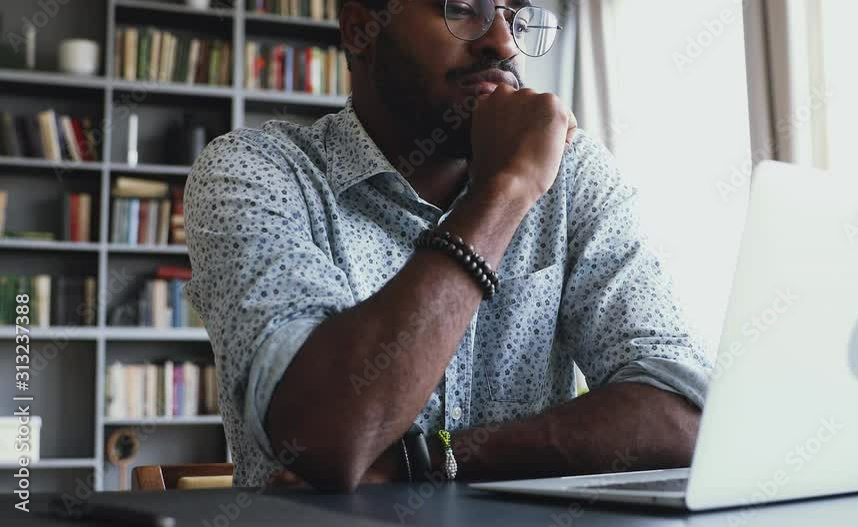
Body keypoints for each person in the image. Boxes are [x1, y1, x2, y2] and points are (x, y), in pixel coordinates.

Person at [184, 0, 711, 492]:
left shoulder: (571, 176)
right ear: (359, 29)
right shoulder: (256, 171)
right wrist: (505, 192)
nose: (503, 43)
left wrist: (430, 459)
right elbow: (326, 437)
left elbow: (689, 416)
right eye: (460, 8)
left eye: (517, 17)